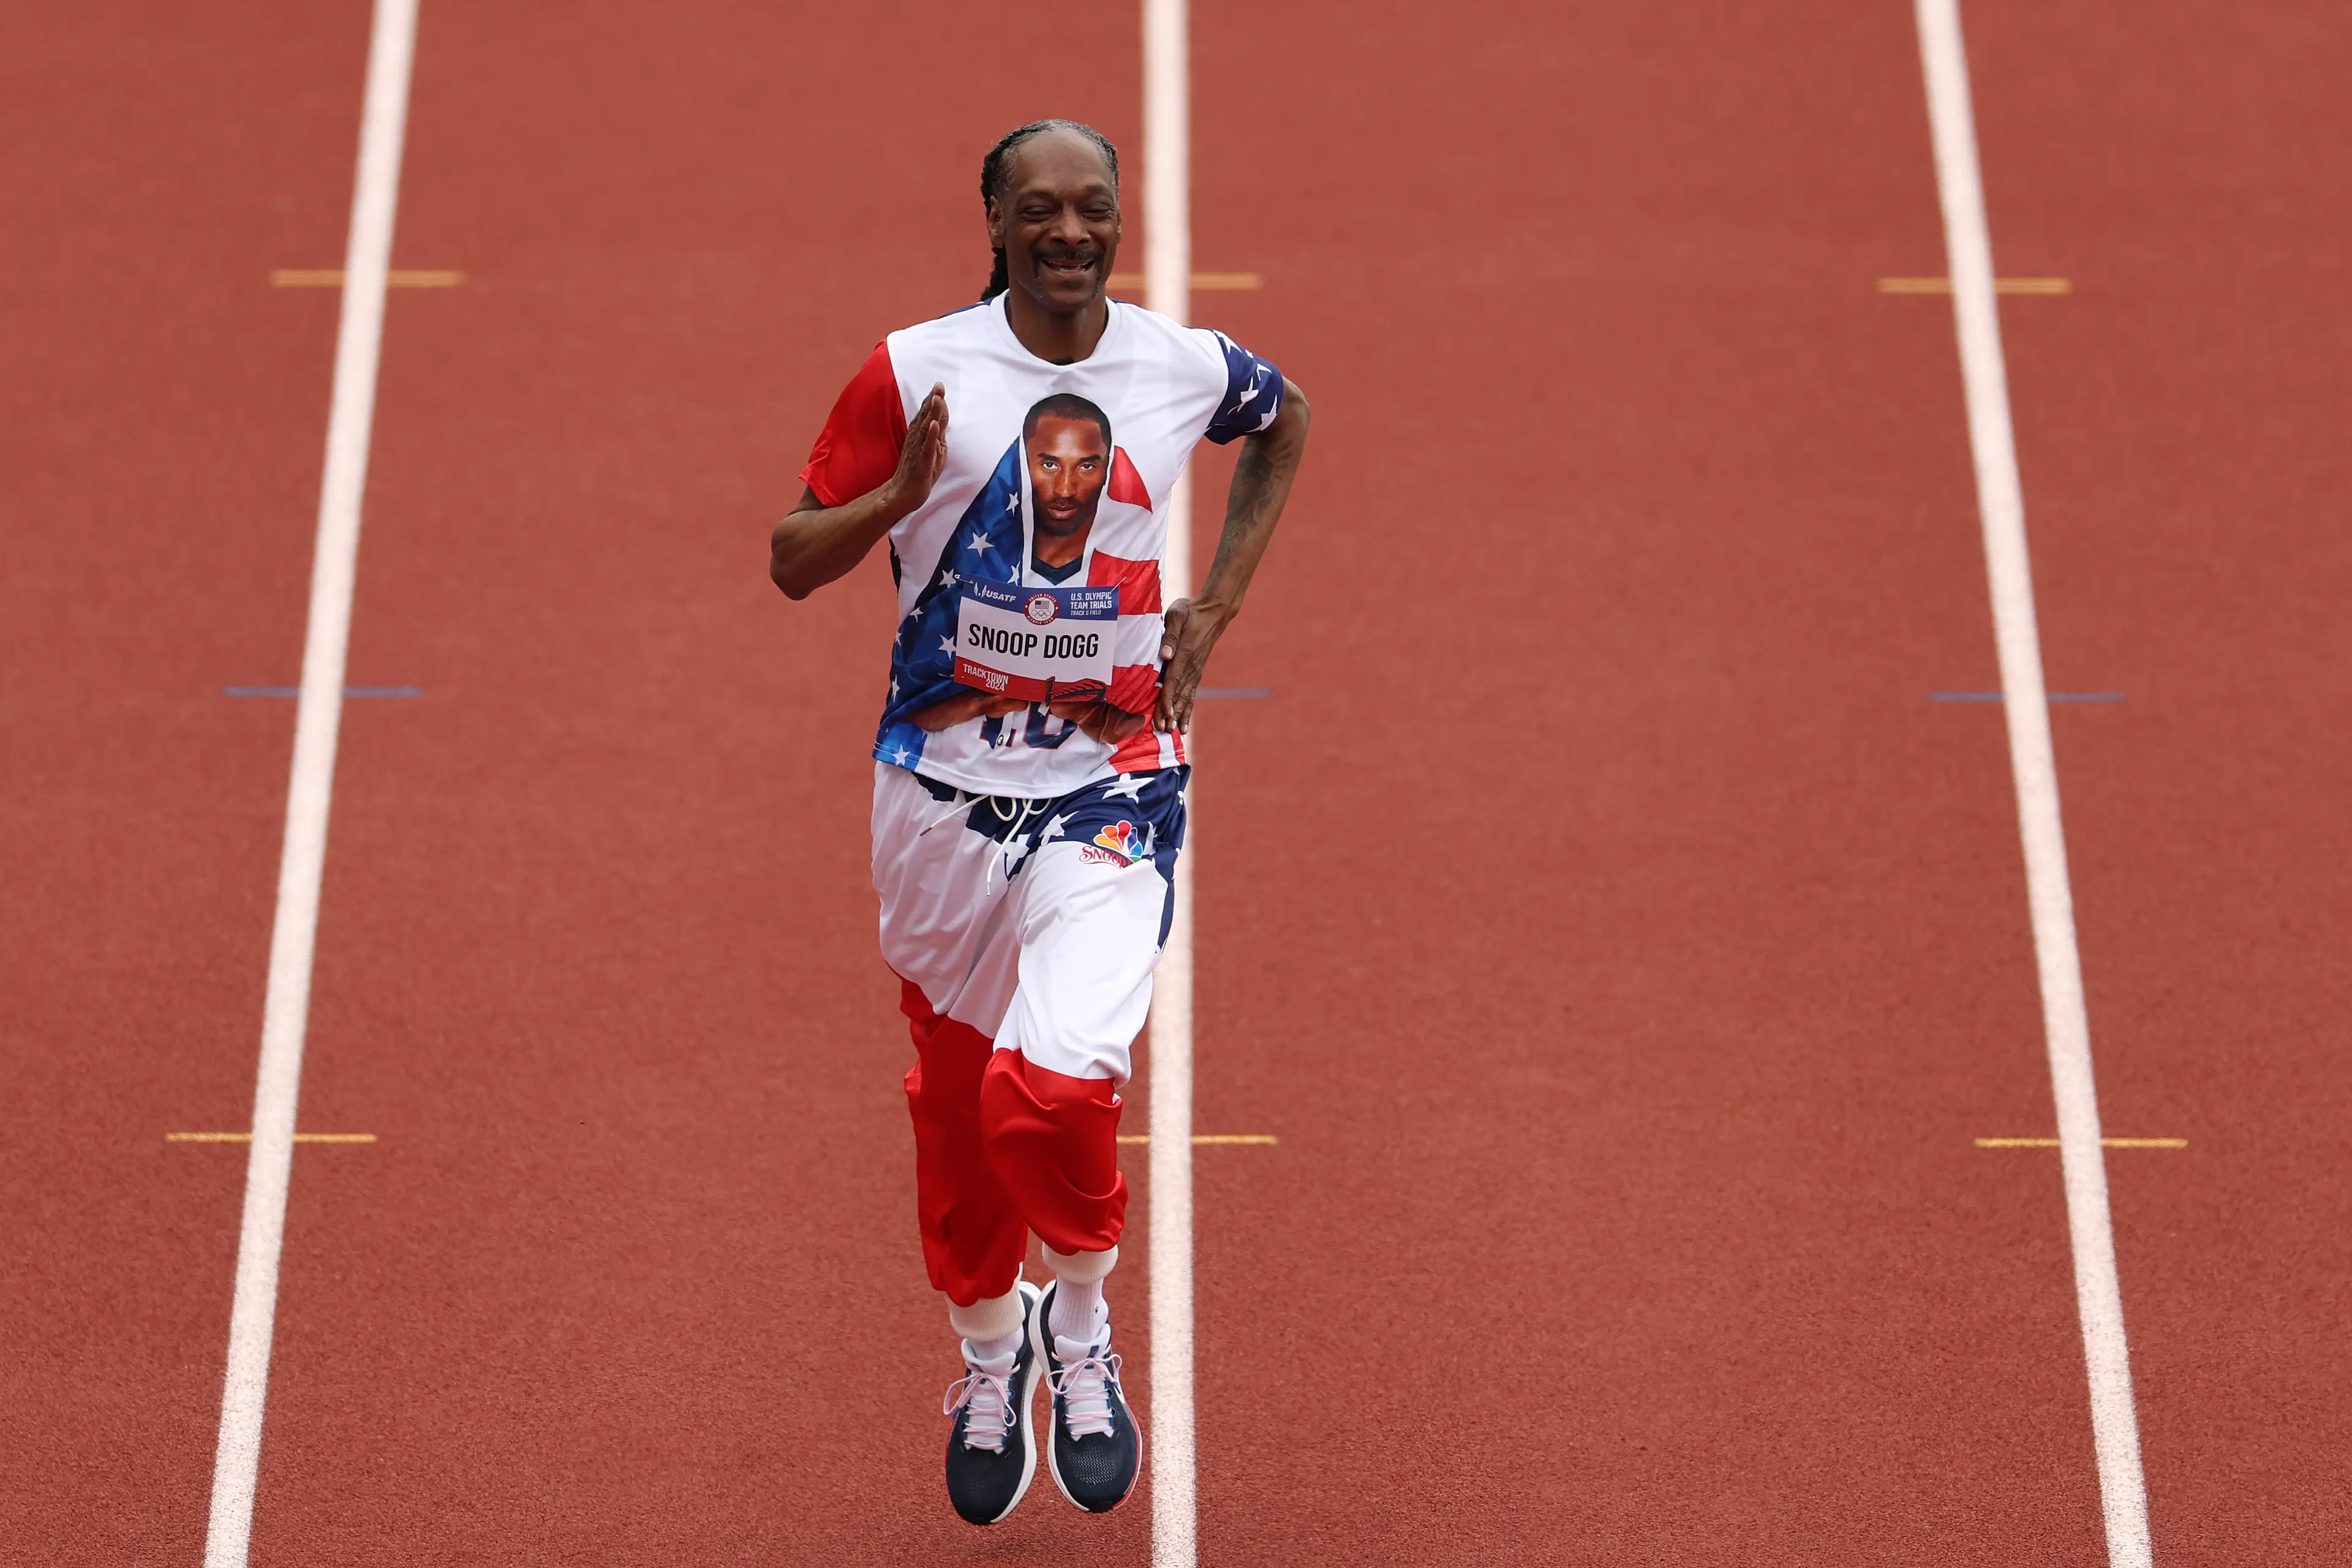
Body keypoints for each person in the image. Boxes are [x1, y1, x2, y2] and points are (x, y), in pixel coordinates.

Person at [769, 118, 1308, 1526]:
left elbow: (1285, 418)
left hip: (1112, 792)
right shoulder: (915, 370)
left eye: (1093, 207)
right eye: (1041, 208)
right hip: (937, 807)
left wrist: (1219, 601)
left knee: (1055, 1086)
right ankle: (987, 1352)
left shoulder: (1181, 367)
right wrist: (898, 496)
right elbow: (790, 558)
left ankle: (1080, 1322)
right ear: (997, 221)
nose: (1070, 231)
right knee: (961, 1129)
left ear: (1119, 219)